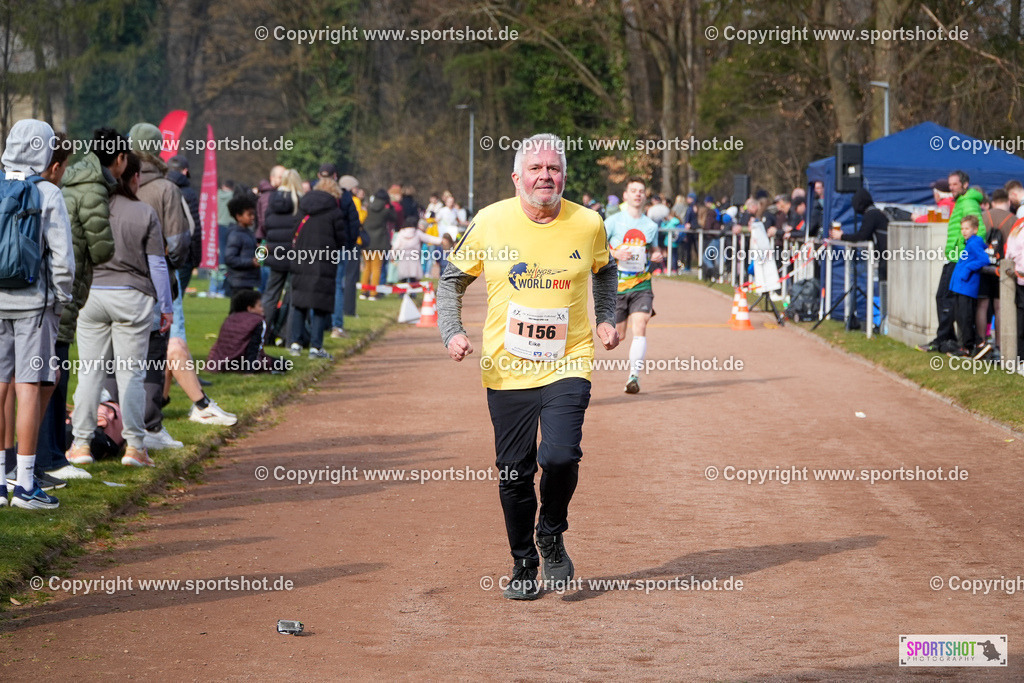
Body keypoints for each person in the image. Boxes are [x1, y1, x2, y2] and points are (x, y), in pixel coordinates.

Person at [437, 133, 619, 600]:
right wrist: (452, 331)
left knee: (559, 455)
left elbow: (604, 269)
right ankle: (523, 562)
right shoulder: (489, 222)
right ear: (517, 177)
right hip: (506, 367)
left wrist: (604, 317)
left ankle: (551, 531)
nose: (545, 176)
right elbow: (451, 281)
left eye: (553, 168)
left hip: (569, 360)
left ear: (564, 175)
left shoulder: (588, 222)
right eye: (536, 169)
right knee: (514, 472)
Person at [69, 151, 172, 468]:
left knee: (89, 372)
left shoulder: (89, 209)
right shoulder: (144, 212)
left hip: (92, 296)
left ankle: (81, 444)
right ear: (135, 178)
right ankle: (135, 447)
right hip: (133, 297)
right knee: (131, 374)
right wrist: (165, 306)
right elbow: (157, 264)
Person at [0, 120, 74, 508]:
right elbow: (63, 261)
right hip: (34, 305)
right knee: (30, 385)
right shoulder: (47, 193)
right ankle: (25, 484)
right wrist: (60, 300)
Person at [127, 122, 191, 451]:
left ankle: (114, 422)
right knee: (153, 352)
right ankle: (150, 426)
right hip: (155, 279)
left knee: (116, 355)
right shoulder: (166, 188)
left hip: (114, 280)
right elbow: (179, 242)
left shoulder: (115, 185)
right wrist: (173, 262)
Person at [604, 177, 663, 394]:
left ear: (645, 196)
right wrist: (615, 253)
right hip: (617, 286)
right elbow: (597, 246)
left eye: (641, 191)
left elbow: (655, 250)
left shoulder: (650, 225)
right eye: (633, 190)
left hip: (641, 285)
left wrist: (657, 255)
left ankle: (633, 377)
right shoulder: (612, 222)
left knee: (641, 324)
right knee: (618, 337)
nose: (637, 194)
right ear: (626, 195)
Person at [289, 177, 357, 359]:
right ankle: (315, 347)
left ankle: (295, 343)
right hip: (324, 261)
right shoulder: (334, 211)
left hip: (302, 258)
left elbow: (293, 230)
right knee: (320, 303)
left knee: (299, 302)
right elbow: (341, 238)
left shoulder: (303, 207)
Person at [920, 171, 985, 353]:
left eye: (955, 184)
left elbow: (978, 231)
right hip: (954, 258)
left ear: (965, 185)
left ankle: (945, 339)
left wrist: (964, 256)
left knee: (945, 298)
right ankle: (946, 338)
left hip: (958, 260)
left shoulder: (969, 202)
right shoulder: (961, 202)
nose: (951, 188)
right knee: (944, 298)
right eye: (950, 185)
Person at [262, 170, 302, 344]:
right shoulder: (300, 201)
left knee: (270, 295)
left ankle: (262, 335)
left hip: (275, 252)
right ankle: (289, 337)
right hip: (295, 253)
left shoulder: (272, 199)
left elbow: (266, 224)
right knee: (294, 297)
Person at [207, 289, 288, 373]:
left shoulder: (229, 318)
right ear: (250, 308)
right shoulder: (257, 321)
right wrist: (249, 371)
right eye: (260, 306)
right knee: (284, 363)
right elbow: (254, 348)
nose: (263, 309)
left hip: (220, 363)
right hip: (241, 363)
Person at [976, 189, 1014, 356]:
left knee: (982, 305)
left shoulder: (984, 217)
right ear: (1008, 201)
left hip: (984, 266)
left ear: (992, 200)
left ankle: (981, 342)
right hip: (1002, 268)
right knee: (999, 307)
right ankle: (999, 344)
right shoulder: (1012, 219)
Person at [949, 215, 990, 357]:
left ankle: (970, 347)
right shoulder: (969, 243)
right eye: (962, 228)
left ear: (975, 229)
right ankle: (969, 345)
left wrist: (967, 269)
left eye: (967, 228)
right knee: (960, 317)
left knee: (965, 318)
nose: (964, 231)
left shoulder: (974, 243)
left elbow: (984, 259)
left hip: (967, 287)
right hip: (961, 286)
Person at [330, 174, 362, 339]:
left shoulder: (322, 196)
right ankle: (337, 325)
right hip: (342, 245)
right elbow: (356, 221)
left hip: (323, 247)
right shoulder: (349, 199)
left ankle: (325, 324)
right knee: (338, 285)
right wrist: (349, 244)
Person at [166, 155, 202, 291]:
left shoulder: (158, 188)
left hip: (162, 250)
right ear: (185, 171)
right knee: (177, 297)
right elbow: (194, 226)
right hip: (183, 251)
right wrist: (197, 257)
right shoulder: (188, 192)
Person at [359, 189, 396, 300]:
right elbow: (394, 217)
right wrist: (391, 206)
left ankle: (363, 291)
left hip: (366, 242)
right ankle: (373, 293)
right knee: (376, 268)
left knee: (367, 267)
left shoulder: (368, 208)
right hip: (378, 242)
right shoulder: (385, 211)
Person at [223, 195, 260, 296]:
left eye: (253, 214)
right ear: (239, 217)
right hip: (239, 281)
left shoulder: (248, 233)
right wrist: (250, 262)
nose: (253, 217)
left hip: (247, 279)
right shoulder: (236, 235)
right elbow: (230, 258)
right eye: (249, 215)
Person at [391, 215, 443, 283]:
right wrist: (442, 240)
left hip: (403, 258)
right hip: (414, 259)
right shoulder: (417, 232)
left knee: (403, 281)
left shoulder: (401, 233)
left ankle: (402, 293)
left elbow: (395, 246)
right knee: (414, 281)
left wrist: (392, 256)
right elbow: (429, 239)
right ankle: (413, 293)